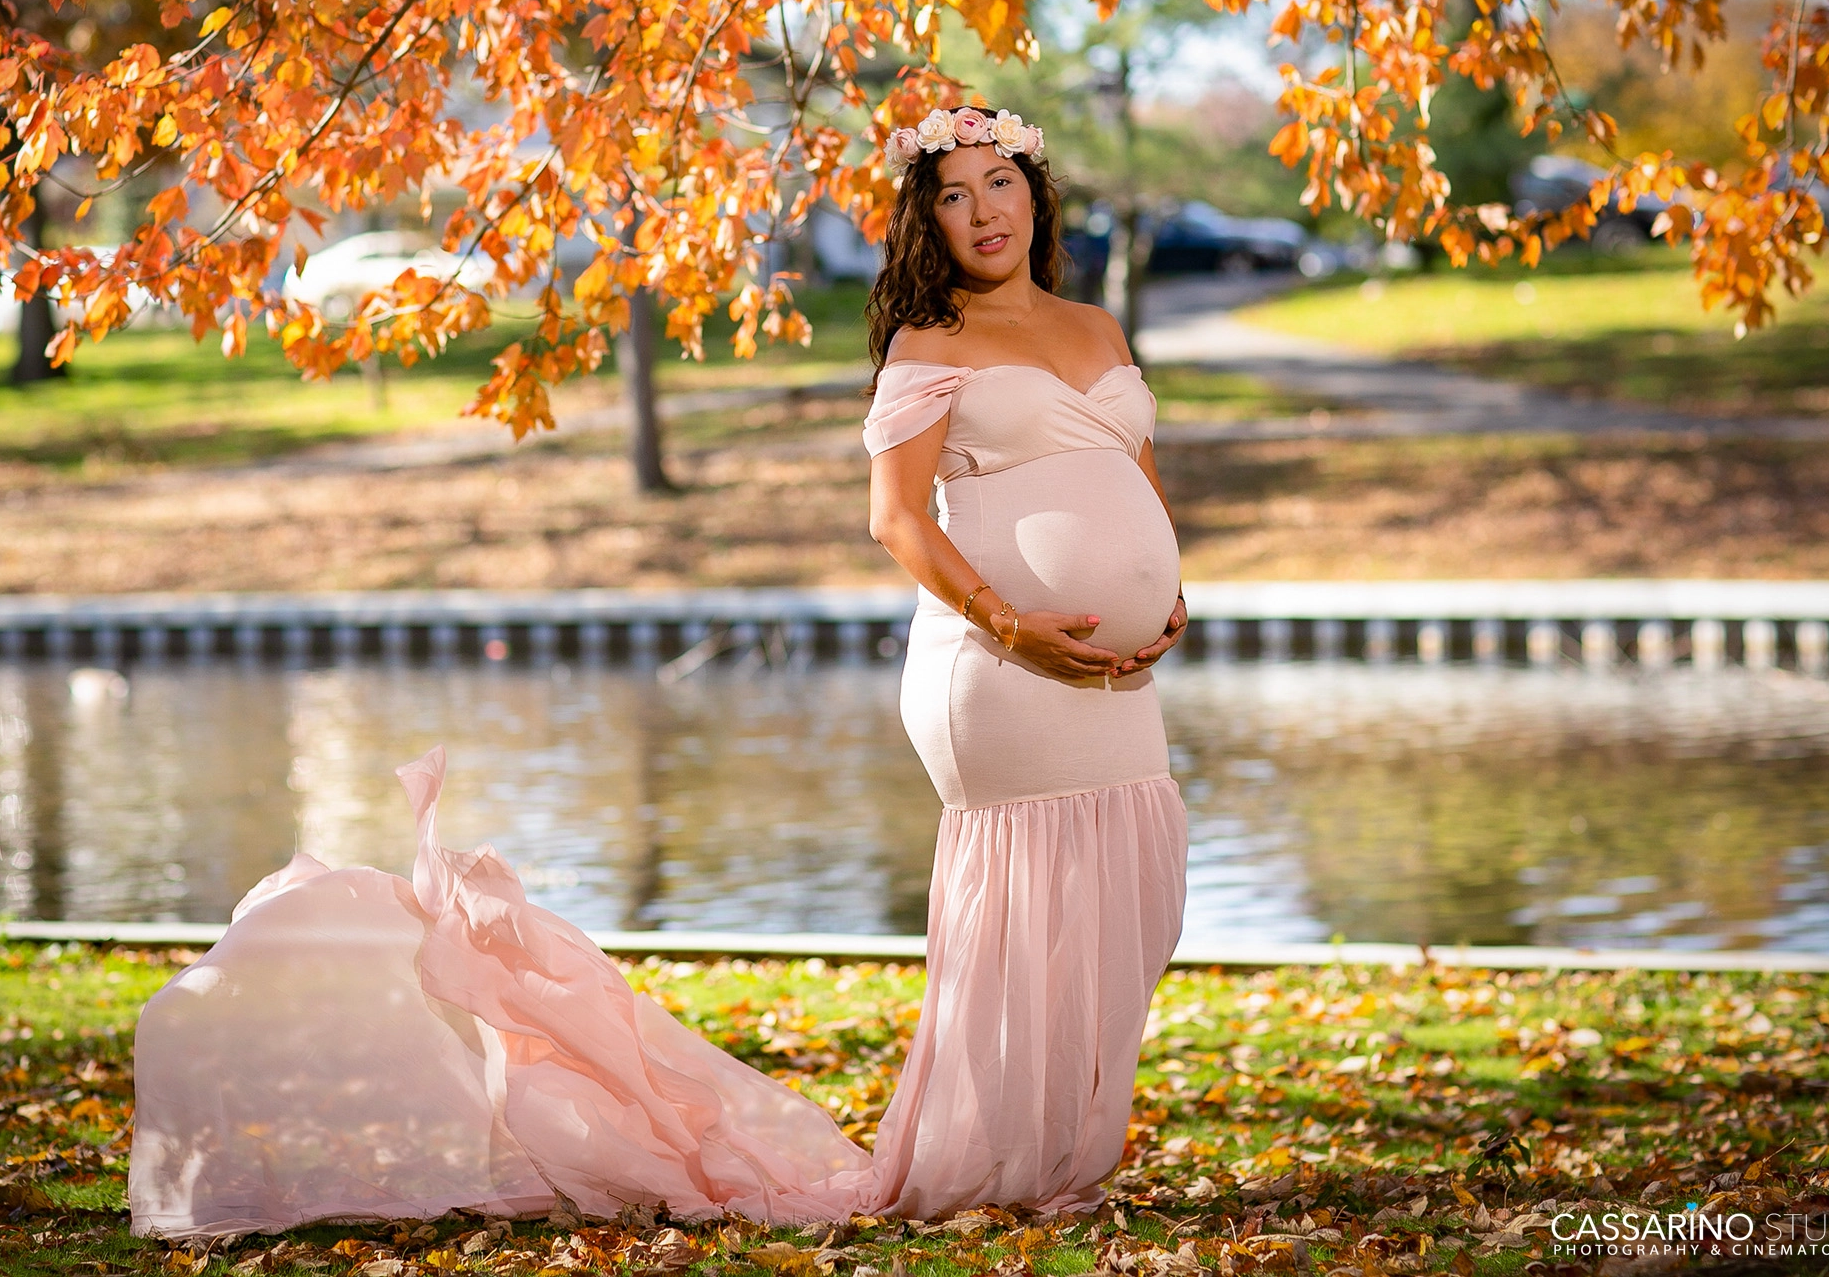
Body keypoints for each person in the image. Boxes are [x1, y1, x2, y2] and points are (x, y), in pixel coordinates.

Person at [125, 105, 1191, 1238]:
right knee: (1027, 917)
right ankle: (994, 1162)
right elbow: (893, 520)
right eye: (954, 195)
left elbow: (1134, 472)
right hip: (1001, 669)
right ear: (926, 221)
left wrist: (1166, 589)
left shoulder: (1098, 327)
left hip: (1119, 670)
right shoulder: (932, 344)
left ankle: (1063, 1150)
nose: (984, 212)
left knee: (1132, 894)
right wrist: (1011, 621)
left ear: (1037, 192)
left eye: (1000, 184)